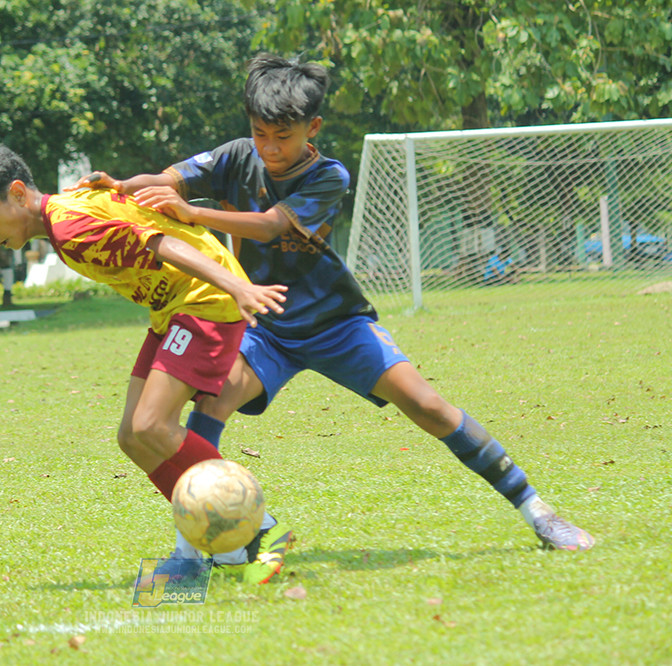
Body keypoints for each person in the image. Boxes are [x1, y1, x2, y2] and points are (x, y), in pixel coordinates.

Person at [70, 53, 595, 572]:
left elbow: (272, 225)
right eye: (259, 133)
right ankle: (198, 546)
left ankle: (538, 511)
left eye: (283, 136)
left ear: (312, 128)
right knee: (207, 408)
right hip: (263, 327)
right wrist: (123, 187)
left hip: (336, 324)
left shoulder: (330, 175)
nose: (269, 147)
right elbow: (170, 179)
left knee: (429, 406)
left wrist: (193, 213)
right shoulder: (235, 157)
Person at [0, 142, 291, 582]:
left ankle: (260, 529)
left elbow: (160, 243)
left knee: (151, 425)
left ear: (17, 193)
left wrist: (235, 285)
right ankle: (218, 539)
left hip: (204, 297)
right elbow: (138, 215)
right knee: (131, 435)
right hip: (170, 308)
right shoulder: (67, 209)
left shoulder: (69, 227)